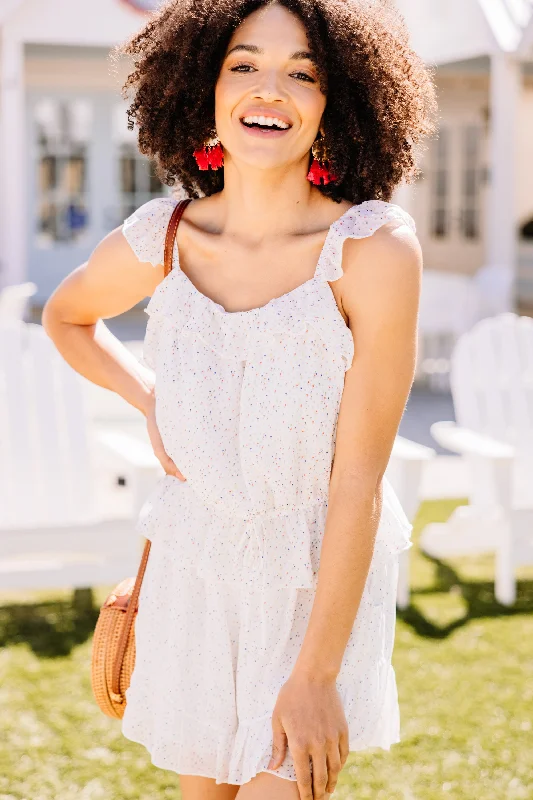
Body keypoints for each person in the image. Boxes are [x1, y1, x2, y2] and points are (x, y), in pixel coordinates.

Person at [42, 1, 436, 798]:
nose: (271, 89)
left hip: (315, 592)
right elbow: (68, 316)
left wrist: (315, 675)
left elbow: (357, 481)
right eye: (244, 64)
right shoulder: (164, 235)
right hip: (196, 573)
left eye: (304, 73)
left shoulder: (370, 250)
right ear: (202, 86)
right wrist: (149, 397)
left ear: (338, 102)